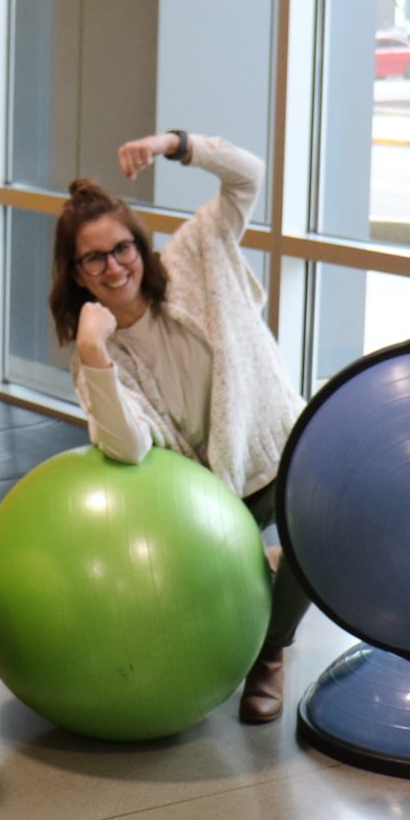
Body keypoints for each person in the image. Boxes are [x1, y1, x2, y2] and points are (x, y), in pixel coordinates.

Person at [54, 131, 312, 723]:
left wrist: (177, 143)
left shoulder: (195, 254)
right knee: (184, 600)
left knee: (315, 538)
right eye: (94, 259)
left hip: (276, 449)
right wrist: (95, 354)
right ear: (77, 275)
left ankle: (270, 652)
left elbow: (248, 173)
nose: (114, 266)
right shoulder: (97, 354)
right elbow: (129, 445)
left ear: (140, 246)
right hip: (212, 495)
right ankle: (255, 562)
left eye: (122, 248)